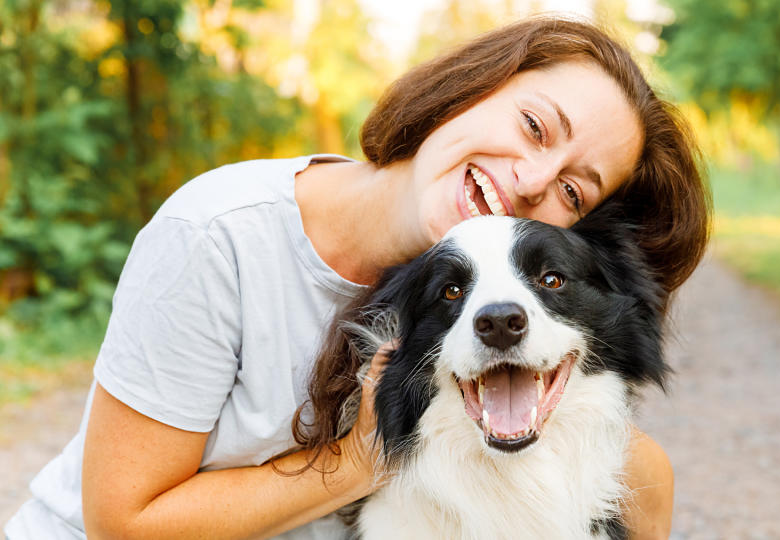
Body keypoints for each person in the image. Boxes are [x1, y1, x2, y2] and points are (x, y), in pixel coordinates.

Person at [5, 16, 709, 540]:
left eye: (574, 191)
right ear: (470, 88)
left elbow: (629, 469)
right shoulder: (219, 234)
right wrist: (356, 461)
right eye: (533, 125)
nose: (529, 180)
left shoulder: (476, 317)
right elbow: (121, 523)